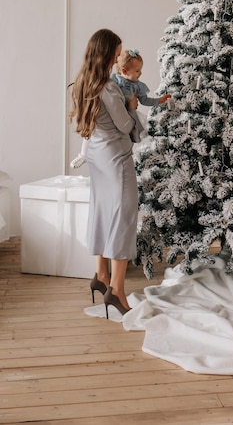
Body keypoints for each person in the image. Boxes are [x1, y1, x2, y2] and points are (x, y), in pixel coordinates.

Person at [69, 29, 142, 317]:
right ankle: (117, 289)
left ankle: (100, 274)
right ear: (107, 52)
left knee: (102, 212)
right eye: (116, 51)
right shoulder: (109, 88)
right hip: (117, 160)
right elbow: (125, 126)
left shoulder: (82, 83)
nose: (118, 56)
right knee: (123, 218)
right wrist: (132, 107)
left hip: (97, 160)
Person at [70, 48, 171, 168]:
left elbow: (144, 100)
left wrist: (159, 100)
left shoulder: (138, 86)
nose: (140, 73)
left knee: (131, 133)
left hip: (127, 114)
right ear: (124, 70)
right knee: (92, 130)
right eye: (137, 71)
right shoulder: (113, 82)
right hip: (110, 114)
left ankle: (127, 154)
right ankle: (83, 154)